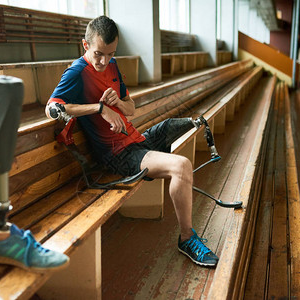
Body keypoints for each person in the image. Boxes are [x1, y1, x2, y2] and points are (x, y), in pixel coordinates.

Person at [46, 16, 219, 267]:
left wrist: (118, 103)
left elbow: (131, 108)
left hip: (136, 140)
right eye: (98, 54)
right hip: (119, 154)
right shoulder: (76, 73)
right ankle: (186, 238)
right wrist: (99, 109)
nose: (104, 61)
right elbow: (51, 109)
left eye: (110, 54)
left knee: (174, 125)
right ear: (85, 45)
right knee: (181, 166)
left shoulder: (112, 66)